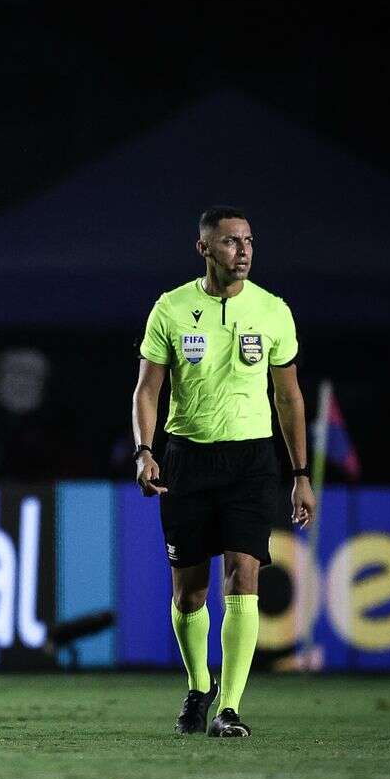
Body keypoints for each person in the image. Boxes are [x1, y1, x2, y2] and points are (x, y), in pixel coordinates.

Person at [132, 208, 313, 738]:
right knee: (189, 592)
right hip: (187, 457)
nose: (244, 250)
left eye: (249, 241)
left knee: (244, 572)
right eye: (232, 242)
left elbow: (289, 396)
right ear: (204, 248)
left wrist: (300, 472)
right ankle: (197, 685)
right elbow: (147, 389)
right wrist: (145, 450)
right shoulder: (171, 308)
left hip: (252, 462)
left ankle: (229, 708)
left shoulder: (273, 311)